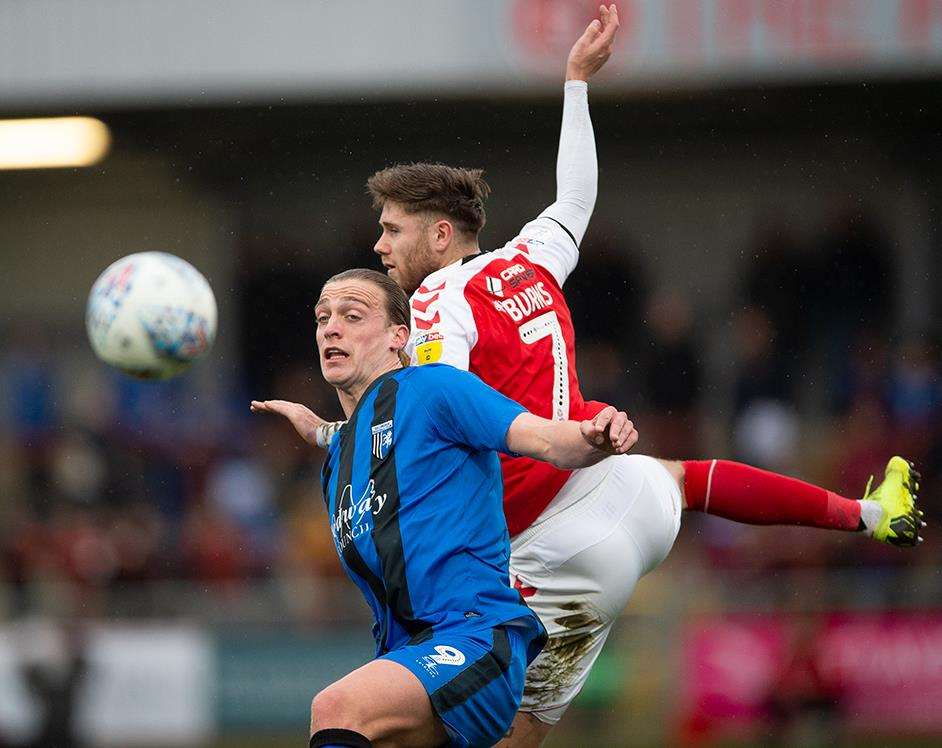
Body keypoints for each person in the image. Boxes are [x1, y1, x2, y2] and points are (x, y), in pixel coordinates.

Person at [276, 5, 923, 745]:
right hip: (624, 501)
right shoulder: (532, 257)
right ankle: (868, 514)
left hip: (537, 551)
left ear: (441, 234)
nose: (379, 244)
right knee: (684, 479)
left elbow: (430, 411)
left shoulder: (433, 303)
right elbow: (576, 196)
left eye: (392, 228)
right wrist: (577, 84)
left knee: (439, 729)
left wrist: (335, 431)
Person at [251, 268, 638, 748]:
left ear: (400, 337)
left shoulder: (435, 389)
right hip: (403, 657)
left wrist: (596, 435)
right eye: (323, 317)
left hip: (475, 641)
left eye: (352, 316)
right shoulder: (338, 460)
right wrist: (316, 430)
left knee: (337, 708)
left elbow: (543, 438)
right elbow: (353, 433)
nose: (331, 328)